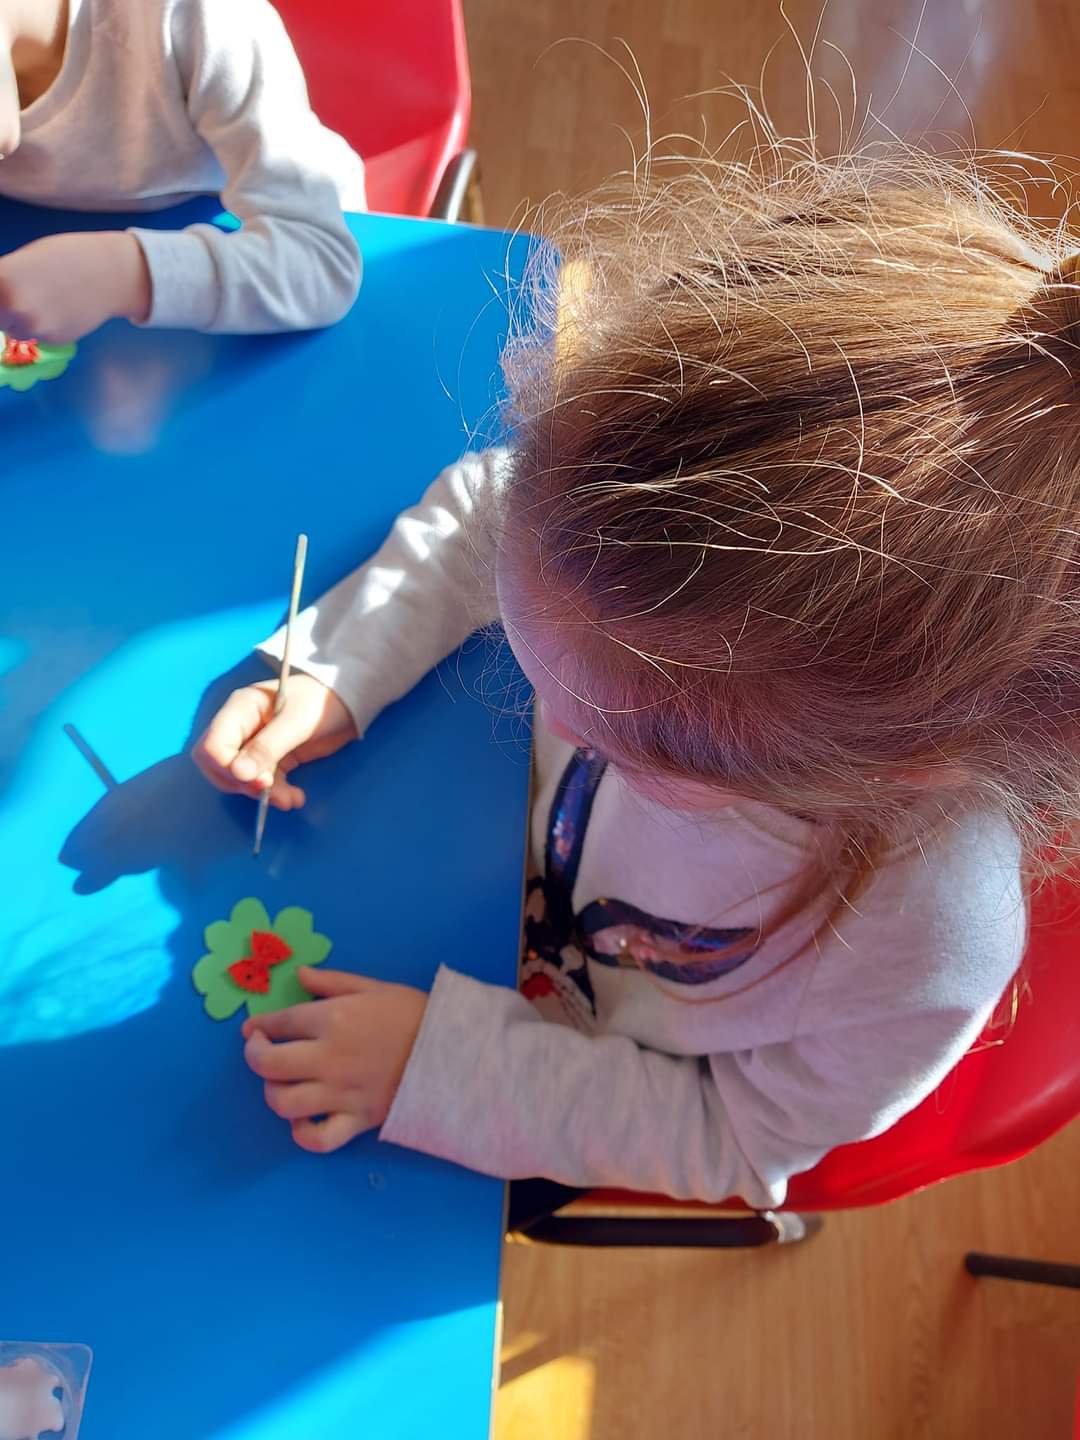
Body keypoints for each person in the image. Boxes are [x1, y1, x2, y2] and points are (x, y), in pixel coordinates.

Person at [192, 147, 1080, 1208]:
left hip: (553, 1077)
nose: (554, 717)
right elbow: (488, 515)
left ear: (899, 767)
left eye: (634, 741)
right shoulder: (617, 537)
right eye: (547, 666)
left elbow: (733, 1137)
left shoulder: (919, 948)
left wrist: (446, 1073)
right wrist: (339, 664)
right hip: (454, 868)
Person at [0, 0, 363, 341]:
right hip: (56, 269)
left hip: (256, 268)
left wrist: (120, 272)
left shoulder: (201, 16)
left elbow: (323, 261)